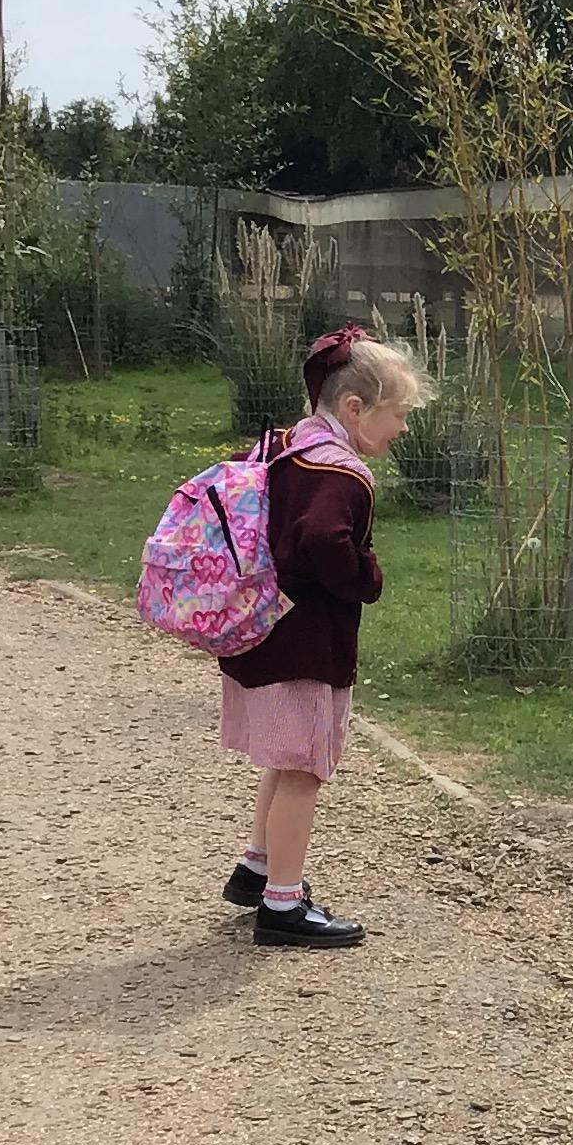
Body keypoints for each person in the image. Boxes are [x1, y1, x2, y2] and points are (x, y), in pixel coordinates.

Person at [219, 329, 421, 948]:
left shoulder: (286, 446)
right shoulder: (342, 474)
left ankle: (258, 870)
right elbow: (321, 540)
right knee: (305, 768)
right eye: (398, 414)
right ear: (356, 408)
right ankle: (282, 906)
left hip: (261, 633)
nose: (403, 428)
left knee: (285, 760)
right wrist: (367, 575)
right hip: (305, 647)